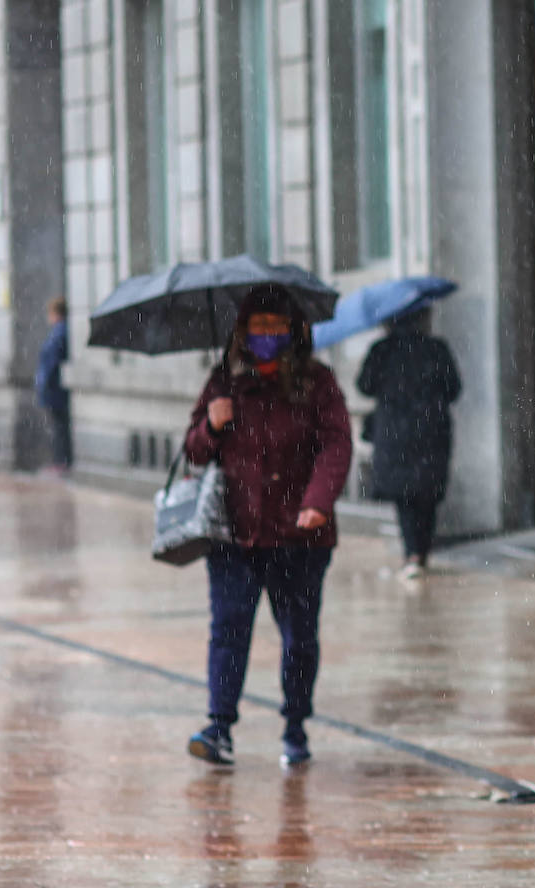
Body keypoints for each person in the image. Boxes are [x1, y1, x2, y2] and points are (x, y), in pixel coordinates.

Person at [183, 284, 352, 767]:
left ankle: (295, 725)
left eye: (276, 328)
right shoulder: (224, 382)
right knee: (228, 631)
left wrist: (317, 502)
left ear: (295, 332)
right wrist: (212, 425)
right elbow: (193, 452)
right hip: (236, 535)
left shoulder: (318, 384)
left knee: (299, 637)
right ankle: (218, 727)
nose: (266, 337)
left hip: (301, 537)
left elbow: (336, 446)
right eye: (257, 328)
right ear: (241, 333)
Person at [357, 308, 461, 579]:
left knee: (405, 495)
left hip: (395, 432)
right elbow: (454, 389)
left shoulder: (382, 349)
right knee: (426, 492)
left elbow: (364, 385)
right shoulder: (436, 348)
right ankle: (420, 551)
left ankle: (412, 553)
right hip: (431, 429)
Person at [35, 298, 72, 472]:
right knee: (58, 426)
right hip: (54, 388)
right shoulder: (59, 332)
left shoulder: (60, 332)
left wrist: (44, 382)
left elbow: (52, 361)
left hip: (55, 389)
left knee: (59, 427)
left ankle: (61, 462)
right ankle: (60, 461)